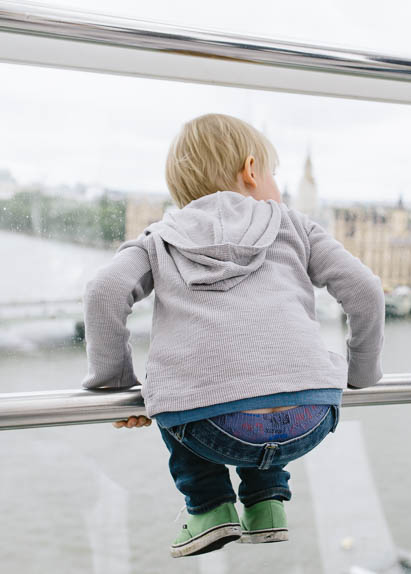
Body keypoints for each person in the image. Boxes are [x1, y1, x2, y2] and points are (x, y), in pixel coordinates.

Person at [81, 113, 384, 558]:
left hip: (213, 430)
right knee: (267, 371)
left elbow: (104, 292)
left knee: (185, 388)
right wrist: (361, 373)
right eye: (274, 175)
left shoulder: (159, 240)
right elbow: (366, 291)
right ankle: (266, 504)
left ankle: (207, 507)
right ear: (251, 170)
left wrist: (117, 382)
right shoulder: (296, 225)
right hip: (312, 417)